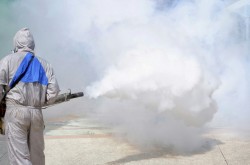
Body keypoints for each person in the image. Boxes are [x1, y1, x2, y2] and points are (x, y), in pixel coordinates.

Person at [0, 28, 60, 165]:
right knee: (37, 155)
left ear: (16, 43)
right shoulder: (45, 64)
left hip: (15, 112)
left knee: (19, 157)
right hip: (36, 112)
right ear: (32, 44)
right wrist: (41, 101)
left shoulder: (7, 61)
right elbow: (54, 92)